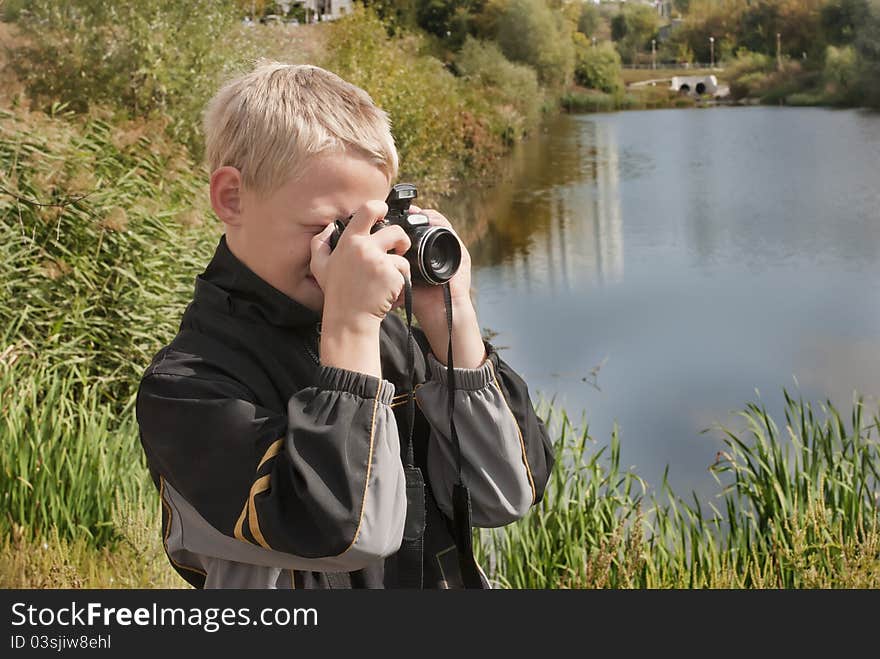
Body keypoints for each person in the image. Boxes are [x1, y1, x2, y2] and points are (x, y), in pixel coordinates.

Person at [135, 61, 555, 589]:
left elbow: (504, 495)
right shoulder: (187, 388)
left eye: (368, 228)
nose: (350, 251)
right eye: (328, 228)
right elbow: (349, 532)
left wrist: (454, 325)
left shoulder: (391, 342)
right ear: (232, 198)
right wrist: (351, 331)